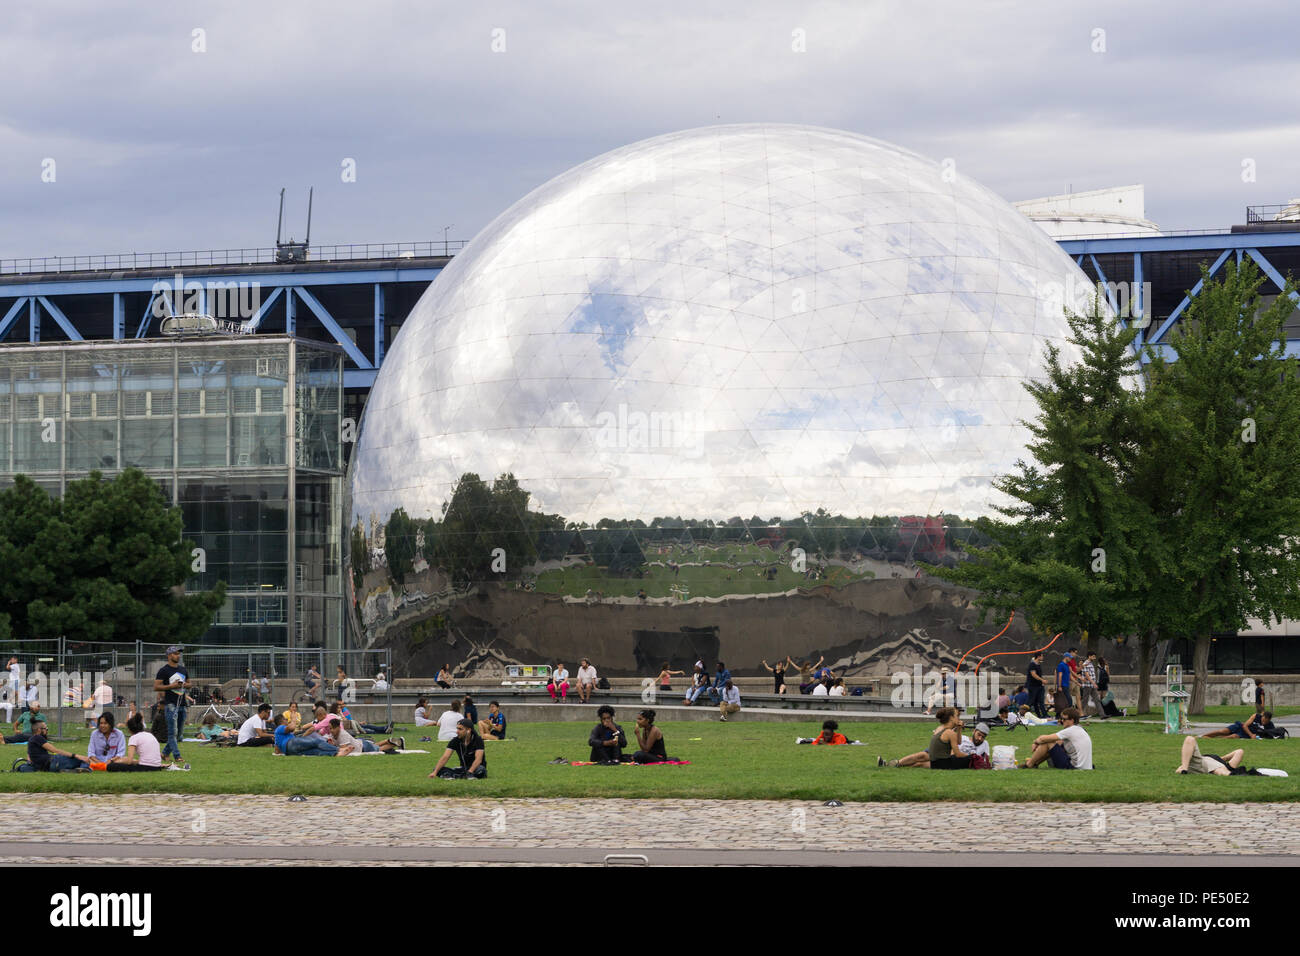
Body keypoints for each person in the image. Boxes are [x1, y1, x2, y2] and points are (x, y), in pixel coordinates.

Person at [878, 707, 970, 769]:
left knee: (919, 761)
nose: (959, 718)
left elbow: (958, 742)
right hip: (939, 759)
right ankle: (892, 764)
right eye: (957, 716)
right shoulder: (947, 731)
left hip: (937, 759)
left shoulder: (944, 729)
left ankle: (892, 765)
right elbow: (957, 749)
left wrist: (959, 729)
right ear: (951, 718)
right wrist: (972, 756)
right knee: (921, 756)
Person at [153, 644, 192, 766]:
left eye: (179, 653)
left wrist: (184, 685)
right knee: (172, 732)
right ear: (169, 655)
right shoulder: (164, 670)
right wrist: (171, 686)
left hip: (182, 703)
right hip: (170, 704)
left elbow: (190, 684)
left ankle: (164, 753)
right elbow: (156, 686)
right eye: (175, 653)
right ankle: (177, 755)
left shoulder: (183, 669)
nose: (178, 655)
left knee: (179, 734)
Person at [1023, 707, 1092, 769]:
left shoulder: (1071, 730)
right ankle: (1034, 763)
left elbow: (1043, 739)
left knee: (1049, 743)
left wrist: (1036, 742)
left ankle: (1029, 764)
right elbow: (1057, 741)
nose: (1062, 721)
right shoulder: (1080, 728)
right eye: (1061, 718)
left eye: (1064, 719)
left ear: (1072, 720)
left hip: (1074, 766)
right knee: (1055, 743)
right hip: (1085, 766)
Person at [17, 718, 89, 772]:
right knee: (84, 760)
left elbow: (29, 757)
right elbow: (54, 750)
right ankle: (82, 769)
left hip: (48, 766)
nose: (47, 731)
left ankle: (69, 770)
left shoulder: (31, 740)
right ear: (39, 730)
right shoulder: (37, 737)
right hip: (54, 762)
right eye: (46, 729)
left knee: (79, 760)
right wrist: (76, 755)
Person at [326, 716, 400, 755]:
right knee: (376, 746)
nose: (330, 730)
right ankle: (388, 740)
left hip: (363, 748)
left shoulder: (342, 735)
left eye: (332, 728)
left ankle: (396, 743)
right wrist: (331, 743)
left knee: (380, 749)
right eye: (330, 728)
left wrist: (332, 746)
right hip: (362, 744)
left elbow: (343, 750)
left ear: (338, 727)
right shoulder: (333, 734)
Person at [1176, 736, 1248, 775]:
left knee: (1219, 770)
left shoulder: (1226, 766)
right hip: (1199, 764)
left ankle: (1231, 775)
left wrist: (1223, 760)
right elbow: (1239, 752)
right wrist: (1221, 758)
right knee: (1189, 739)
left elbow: (1239, 752)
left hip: (1213, 767)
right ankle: (1184, 771)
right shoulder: (1219, 761)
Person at [272, 714, 338, 756]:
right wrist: (293, 719)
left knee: (315, 751)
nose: (286, 720)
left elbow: (277, 751)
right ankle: (338, 750)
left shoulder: (277, 733)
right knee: (316, 742)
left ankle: (336, 754)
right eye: (285, 719)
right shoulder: (280, 727)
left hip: (289, 752)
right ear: (281, 721)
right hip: (291, 743)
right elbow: (292, 728)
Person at [1200, 711, 1275, 740]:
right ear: (1262, 716)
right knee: (1222, 731)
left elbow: (1274, 734)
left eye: (1266, 721)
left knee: (1233, 737)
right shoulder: (1256, 716)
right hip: (1241, 727)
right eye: (1263, 720)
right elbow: (1245, 725)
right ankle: (1202, 736)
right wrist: (1251, 735)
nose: (1264, 722)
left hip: (1245, 734)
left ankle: (1214, 740)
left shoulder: (1270, 724)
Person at [1078, 652, 1106, 718]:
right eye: (1093, 656)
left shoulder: (1090, 663)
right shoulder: (1085, 664)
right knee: (1084, 701)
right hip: (1087, 685)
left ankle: (1102, 715)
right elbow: (1087, 675)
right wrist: (1093, 683)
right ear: (1089, 656)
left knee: (1097, 700)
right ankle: (1077, 714)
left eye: (1095, 656)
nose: (1094, 658)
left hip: (1092, 685)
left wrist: (1094, 683)